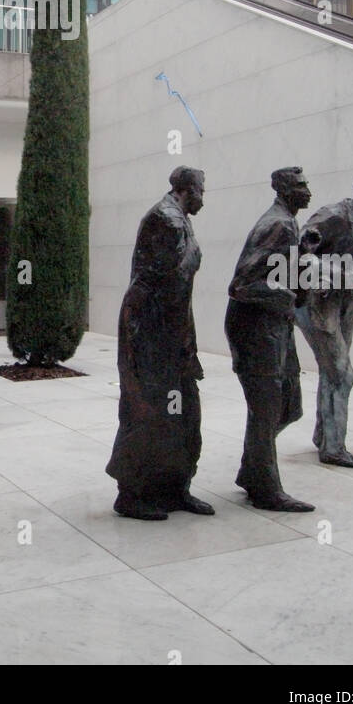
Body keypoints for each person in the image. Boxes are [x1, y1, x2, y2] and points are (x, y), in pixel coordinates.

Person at [106, 167, 215, 521]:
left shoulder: (180, 217)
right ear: (186, 189)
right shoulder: (166, 219)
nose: (203, 197)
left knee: (182, 412)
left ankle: (173, 488)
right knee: (147, 412)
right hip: (151, 330)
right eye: (201, 190)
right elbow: (159, 285)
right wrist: (151, 343)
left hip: (173, 330)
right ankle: (131, 493)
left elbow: (179, 289)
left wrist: (187, 344)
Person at [225, 167, 314, 512]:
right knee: (266, 410)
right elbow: (242, 285)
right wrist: (290, 296)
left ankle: (252, 470)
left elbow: (278, 275)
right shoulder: (276, 224)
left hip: (276, 326)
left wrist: (302, 265)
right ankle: (265, 487)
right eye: (302, 186)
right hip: (255, 330)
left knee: (290, 405)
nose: (309, 191)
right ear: (283, 189)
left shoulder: (290, 224)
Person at [294, 177, 353, 467]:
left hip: (346, 301)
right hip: (317, 301)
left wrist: (325, 268)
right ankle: (334, 447)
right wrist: (325, 272)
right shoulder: (332, 216)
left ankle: (324, 435)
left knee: (332, 370)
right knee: (342, 373)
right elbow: (299, 252)